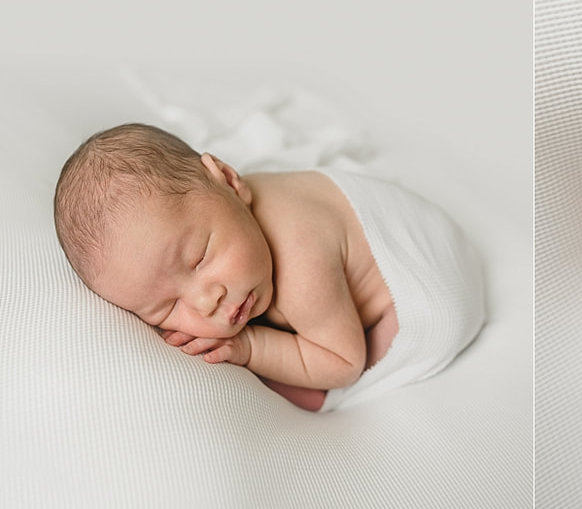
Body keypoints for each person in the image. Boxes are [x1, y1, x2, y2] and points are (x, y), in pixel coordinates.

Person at [53, 123, 484, 411]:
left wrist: (252, 349)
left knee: (421, 331)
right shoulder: (224, 216)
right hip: (361, 244)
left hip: (426, 272)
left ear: (227, 177)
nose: (206, 300)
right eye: (165, 308)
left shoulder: (301, 263)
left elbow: (343, 362)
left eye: (200, 257)